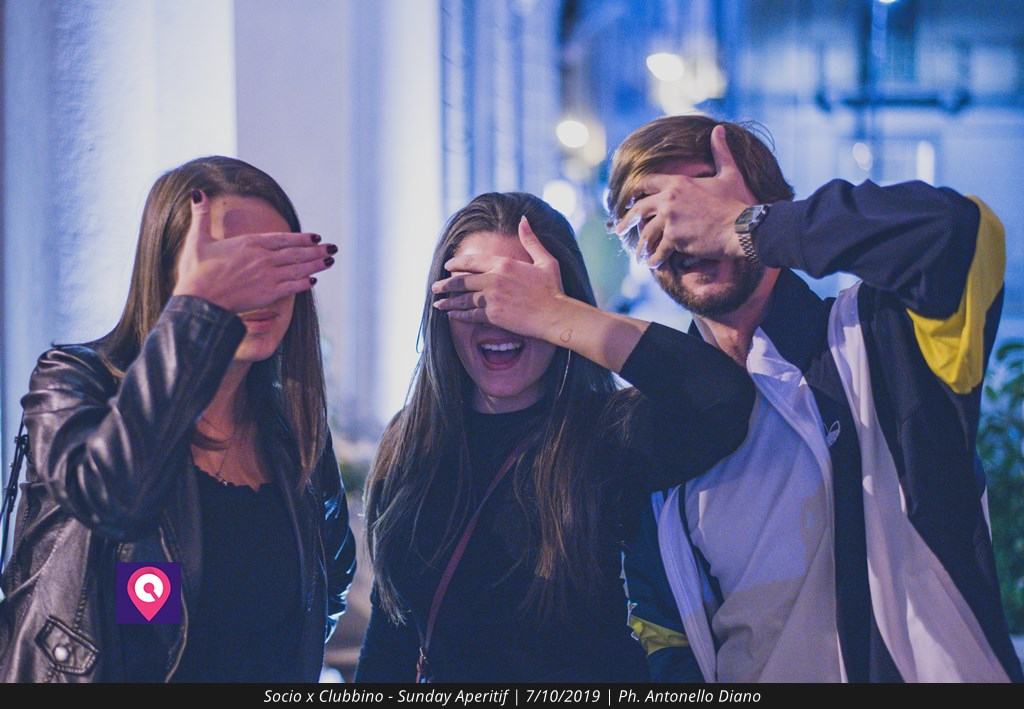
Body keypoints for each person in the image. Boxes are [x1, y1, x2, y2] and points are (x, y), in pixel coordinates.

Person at [600, 115, 1021, 682]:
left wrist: (746, 227)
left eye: (700, 196)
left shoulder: (880, 337)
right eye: (652, 215)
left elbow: (958, 235)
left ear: (770, 205)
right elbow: (664, 629)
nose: (681, 229)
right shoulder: (653, 427)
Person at [355, 192, 754, 682]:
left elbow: (722, 398)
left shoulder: (610, 435)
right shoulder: (414, 439)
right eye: (472, 292)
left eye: (516, 294)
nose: (496, 315)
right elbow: (393, 635)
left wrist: (557, 315)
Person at [0, 156, 357, 682]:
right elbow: (113, 499)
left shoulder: (290, 424)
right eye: (230, 265)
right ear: (169, 273)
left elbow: (328, 584)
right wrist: (198, 313)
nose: (256, 287)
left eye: (274, 261)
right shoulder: (74, 382)